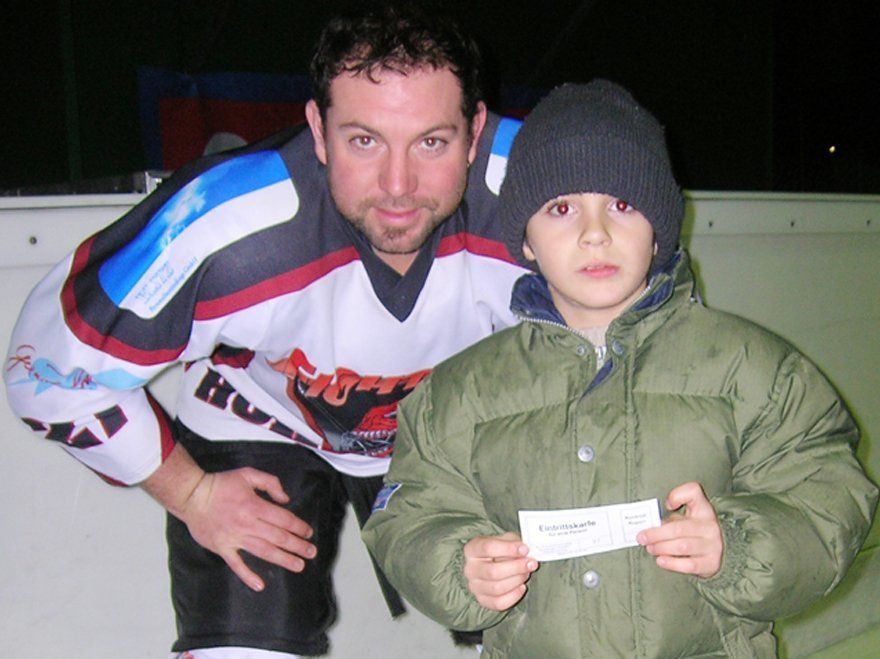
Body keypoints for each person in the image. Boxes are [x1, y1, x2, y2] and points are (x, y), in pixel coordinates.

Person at [3, 3, 527, 657]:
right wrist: (193, 492)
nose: (398, 185)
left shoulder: (551, 195)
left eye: (432, 142)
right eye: (364, 140)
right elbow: (45, 370)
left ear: (475, 132)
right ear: (318, 130)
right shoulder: (222, 225)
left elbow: (633, 351)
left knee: (570, 621)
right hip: (262, 419)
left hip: (459, 428)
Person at [362, 79, 879, 657]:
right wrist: (459, 567)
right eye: (561, 209)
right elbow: (408, 516)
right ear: (525, 239)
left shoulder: (756, 371)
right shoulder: (460, 393)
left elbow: (826, 498)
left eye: (623, 205)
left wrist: (736, 548)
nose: (595, 233)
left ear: (658, 231)